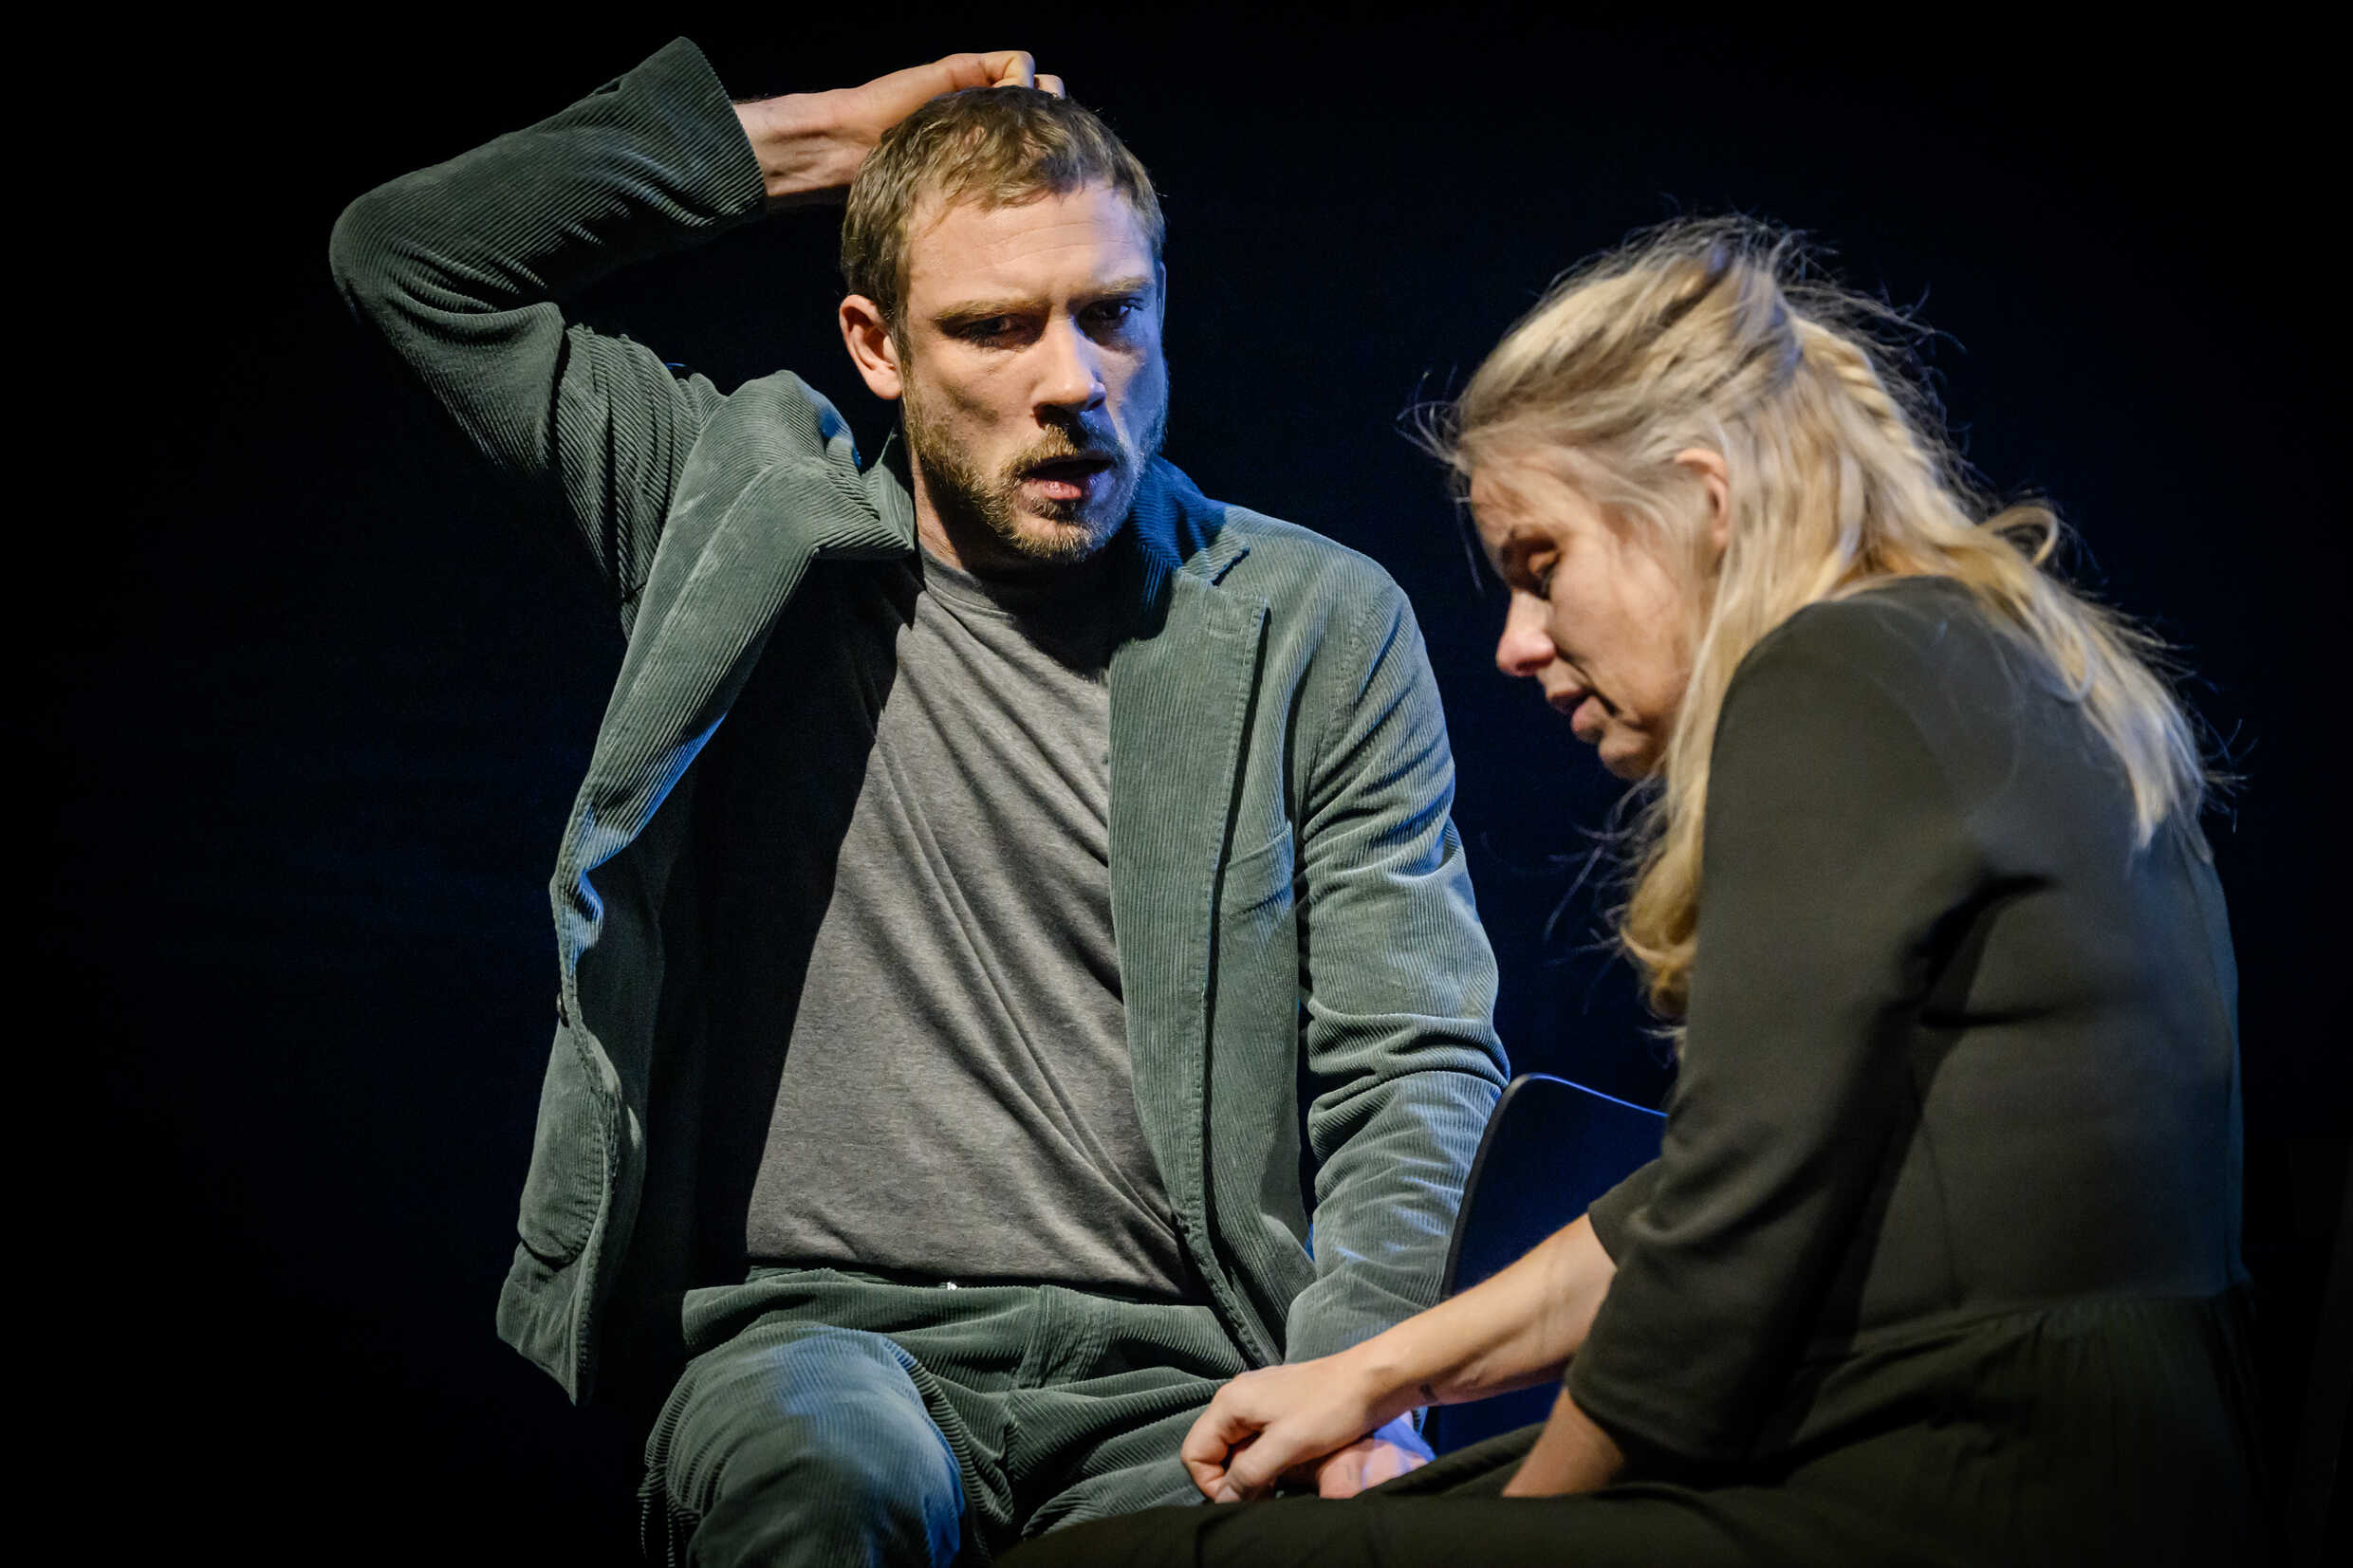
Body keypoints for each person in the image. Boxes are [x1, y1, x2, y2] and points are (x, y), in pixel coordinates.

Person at [328, 39, 1508, 1567]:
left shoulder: (1310, 624)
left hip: (1183, 1371)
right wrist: (839, 142)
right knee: (832, 1484)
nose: (1071, 382)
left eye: (1113, 315)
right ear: (876, 346)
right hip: (819, 1345)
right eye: (997, 327)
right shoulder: (737, 530)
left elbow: (1408, 1065)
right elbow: (411, 259)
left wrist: (1362, 1381)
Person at [1007, 218, 2267, 1565]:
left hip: (1977, 1483)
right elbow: (1689, 1203)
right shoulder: (1977, 655)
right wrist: (1376, 1374)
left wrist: (1528, 1521)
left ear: (1702, 500)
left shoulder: (1835, 673)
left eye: (1542, 565)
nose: (1515, 643)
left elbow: (1726, 1239)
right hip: (2089, 1464)